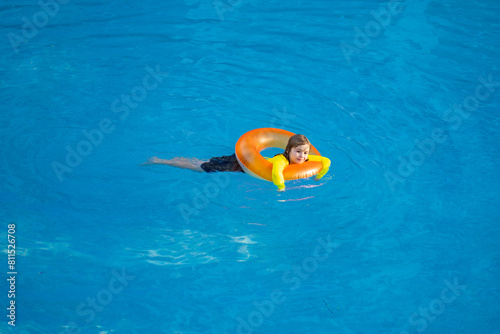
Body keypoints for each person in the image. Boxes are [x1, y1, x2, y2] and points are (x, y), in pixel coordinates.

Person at [144, 134, 330, 191]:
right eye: (298, 152)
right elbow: (276, 173)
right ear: (288, 150)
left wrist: (318, 175)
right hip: (239, 165)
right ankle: (161, 161)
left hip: (244, 162)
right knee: (199, 167)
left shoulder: (305, 159)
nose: (302, 157)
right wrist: (281, 188)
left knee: (203, 162)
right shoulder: (281, 160)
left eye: (305, 153)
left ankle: (167, 159)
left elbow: (325, 161)